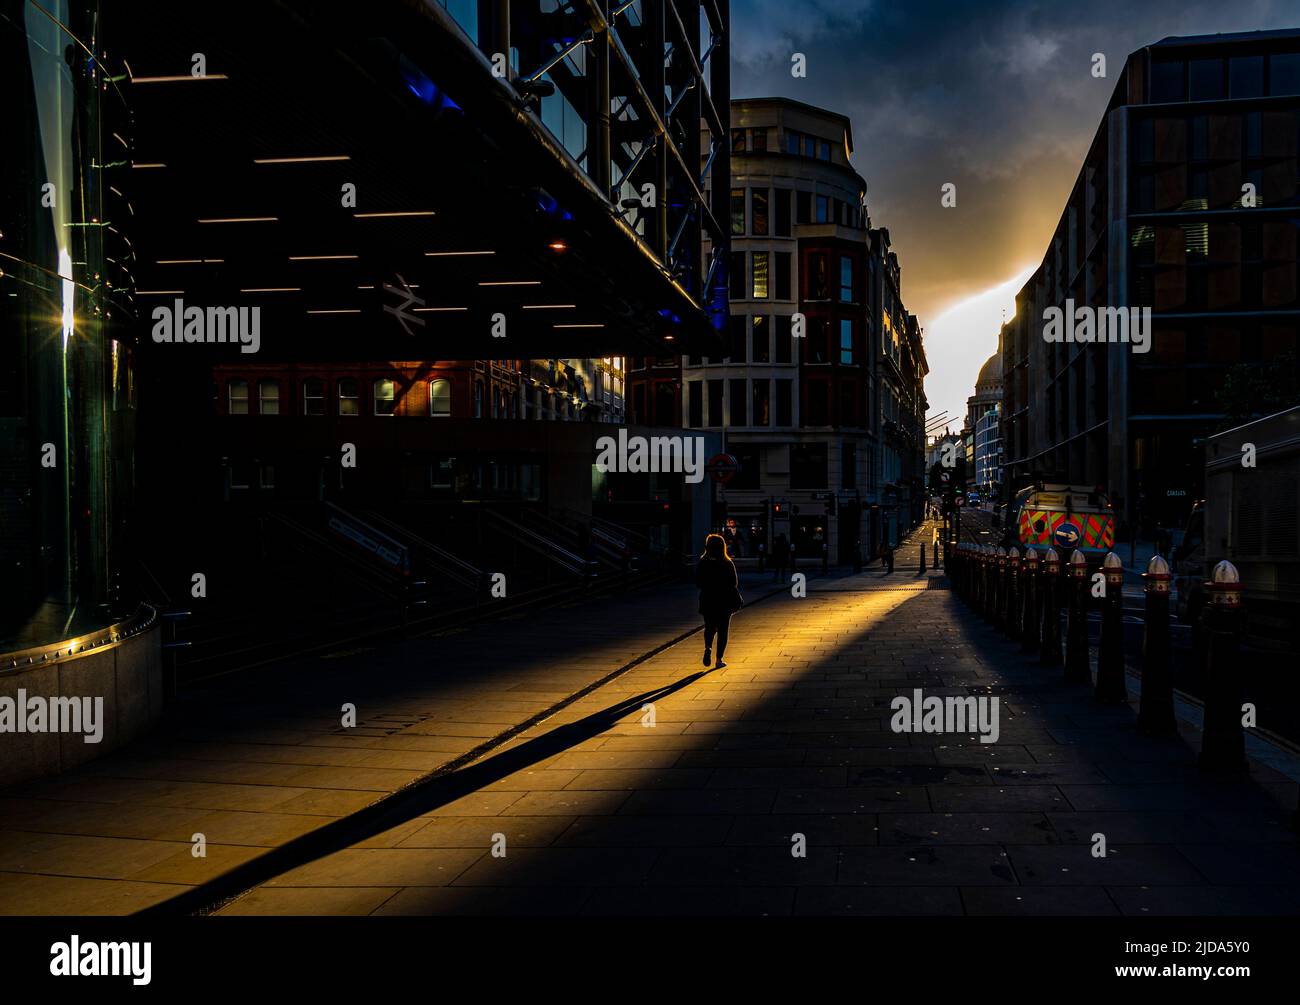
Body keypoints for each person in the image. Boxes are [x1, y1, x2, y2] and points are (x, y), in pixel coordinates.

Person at [696, 533, 743, 668]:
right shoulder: (727, 563)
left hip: (708, 600)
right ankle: (718, 660)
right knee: (723, 630)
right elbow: (734, 583)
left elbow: (698, 582)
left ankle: (708, 648)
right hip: (725, 601)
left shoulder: (703, 563)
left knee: (710, 626)